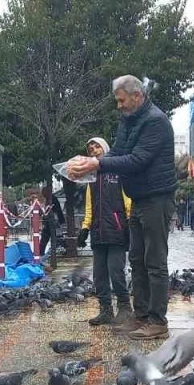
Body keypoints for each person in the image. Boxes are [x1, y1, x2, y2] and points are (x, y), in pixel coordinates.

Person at [67, 74, 176, 341]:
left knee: (155, 262)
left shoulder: (156, 121)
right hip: (139, 197)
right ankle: (140, 316)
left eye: (121, 100)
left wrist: (98, 164)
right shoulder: (130, 120)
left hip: (157, 198)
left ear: (137, 96)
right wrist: (89, 161)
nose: (119, 105)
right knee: (137, 260)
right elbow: (117, 151)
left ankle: (158, 321)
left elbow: (138, 160)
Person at [79, 136, 132, 326]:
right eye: (90, 147)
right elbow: (89, 207)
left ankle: (125, 308)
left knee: (116, 271)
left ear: (104, 148)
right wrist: (85, 228)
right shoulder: (91, 177)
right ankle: (105, 310)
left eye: (96, 146)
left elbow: (128, 200)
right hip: (98, 232)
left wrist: (129, 222)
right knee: (99, 275)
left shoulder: (117, 172)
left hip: (117, 231)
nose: (93, 149)